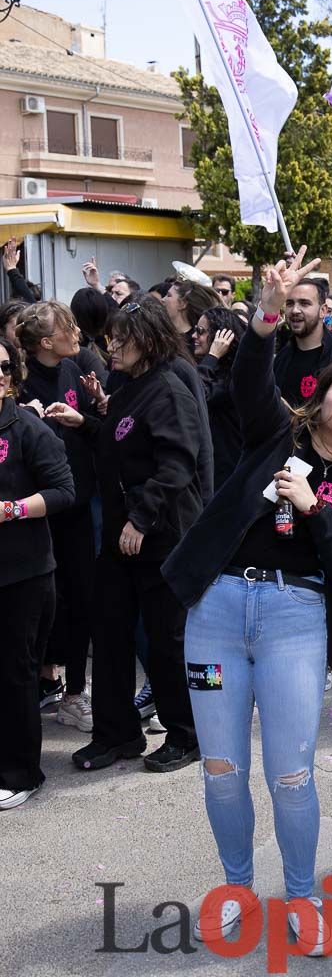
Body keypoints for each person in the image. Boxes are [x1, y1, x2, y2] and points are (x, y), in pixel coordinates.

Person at [161, 248, 332, 951]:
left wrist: (318, 509)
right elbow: (251, 374)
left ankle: (301, 897)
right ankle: (235, 885)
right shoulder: (274, 433)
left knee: (291, 774)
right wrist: (265, 313)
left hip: (296, 619)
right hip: (217, 614)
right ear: (321, 395)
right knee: (224, 770)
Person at [46, 299, 204, 774]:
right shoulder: (131, 386)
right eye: (110, 338)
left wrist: (141, 519)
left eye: (121, 339)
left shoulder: (170, 389)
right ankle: (117, 734)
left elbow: (177, 465)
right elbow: (122, 444)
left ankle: (185, 734)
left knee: (165, 640)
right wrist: (89, 424)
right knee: (110, 632)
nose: (110, 347)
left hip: (159, 536)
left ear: (148, 340)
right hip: (120, 535)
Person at [16, 302, 99, 732]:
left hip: (79, 505)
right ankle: (41, 681)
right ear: (46, 343)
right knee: (43, 606)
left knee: (83, 596)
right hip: (36, 513)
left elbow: (94, 425)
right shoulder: (20, 382)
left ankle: (74, 693)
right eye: (67, 327)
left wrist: (90, 412)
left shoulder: (76, 369)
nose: (77, 331)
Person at [0, 337, 75, 809]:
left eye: (5, 366)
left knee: (14, 674)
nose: (0, 374)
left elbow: (64, 490)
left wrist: (8, 509)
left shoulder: (26, 428)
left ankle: (22, 771)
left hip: (21, 576)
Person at [191, 306, 246, 490]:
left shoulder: (231, 377)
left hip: (226, 474)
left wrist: (213, 355)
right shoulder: (212, 369)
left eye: (200, 331)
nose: (194, 336)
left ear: (219, 337)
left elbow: (197, 396)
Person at [273, 277, 332, 407]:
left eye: (304, 303)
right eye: (290, 303)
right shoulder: (282, 358)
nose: (295, 310)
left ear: (323, 311)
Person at [163, 280, 222, 353]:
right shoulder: (164, 336)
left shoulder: (196, 344)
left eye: (169, 295)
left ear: (182, 303)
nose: (162, 300)